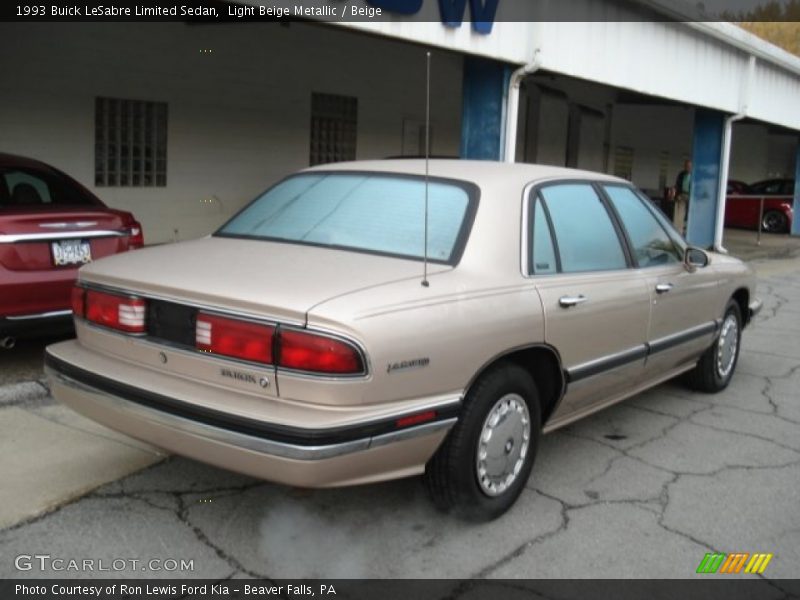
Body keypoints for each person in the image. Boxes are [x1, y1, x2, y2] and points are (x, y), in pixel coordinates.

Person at [672, 159, 692, 234]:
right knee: (679, 213)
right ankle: (678, 231)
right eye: (686, 166)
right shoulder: (681, 174)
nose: (688, 168)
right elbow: (677, 184)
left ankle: (689, 231)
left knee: (691, 214)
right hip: (682, 194)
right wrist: (677, 195)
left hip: (691, 196)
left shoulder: (695, 175)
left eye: (689, 166)